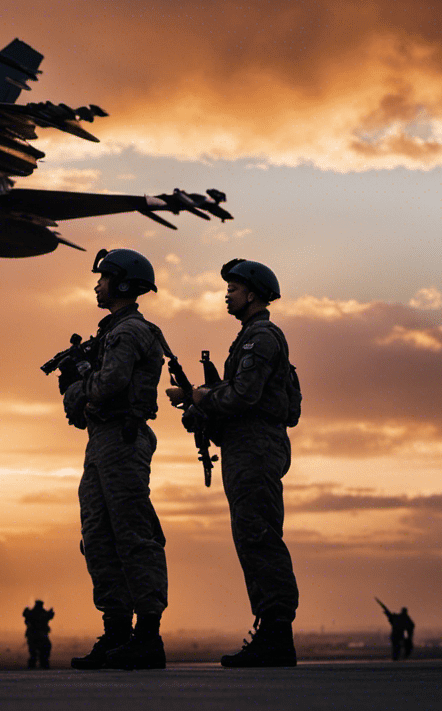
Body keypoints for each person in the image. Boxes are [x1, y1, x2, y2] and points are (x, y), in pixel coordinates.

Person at [168, 259, 300, 667]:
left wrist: (200, 397)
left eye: (235, 287)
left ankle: (276, 635)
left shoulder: (258, 338)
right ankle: (271, 630)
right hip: (248, 446)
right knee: (252, 535)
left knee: (258, 535)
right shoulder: (251, 337)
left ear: (254, 294)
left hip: (254, 447)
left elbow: (244, 394)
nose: (228, 293)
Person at [62, 249, 168, 671]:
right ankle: (117, 630)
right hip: (103, 438)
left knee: (132, 532)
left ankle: (147, 635)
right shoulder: (113, 331)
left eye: (104, 277)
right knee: (99, 535)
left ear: (122, 283)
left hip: (122, 438)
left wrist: (75, 390)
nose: (97, 284)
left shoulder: (129, 332)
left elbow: (111, 382)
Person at [22, 600, 54, 669]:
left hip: (35, 636)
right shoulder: (41, 613)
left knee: (36, 654)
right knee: (39, 653)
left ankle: (37, 665)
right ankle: (40, 665)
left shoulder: (33, 613)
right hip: (38, 636)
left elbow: (26, 618)